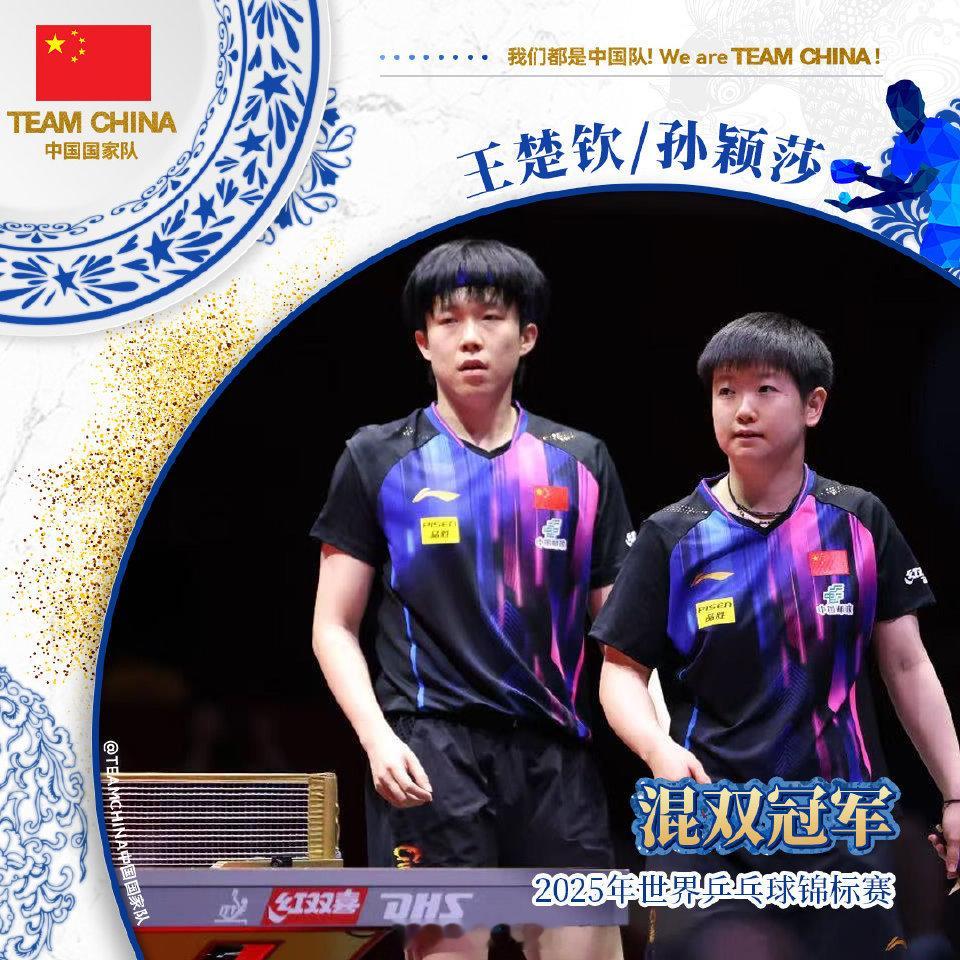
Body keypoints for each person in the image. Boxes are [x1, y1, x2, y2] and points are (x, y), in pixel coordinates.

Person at [591, 312, 960, 958]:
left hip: (839, 823)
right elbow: (620, 671)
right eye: (725, 391)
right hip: (705, 822)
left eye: (765, 389)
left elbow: (907, 666)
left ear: (813, 405)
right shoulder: (671, 535)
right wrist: (656, 749)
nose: (743, 409)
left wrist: (956, 794)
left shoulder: (859, 521)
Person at [310, 238, 633, 960]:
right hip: (430, 751)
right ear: (423, 343)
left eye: (491, 317)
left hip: (557, 754)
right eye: (449, 321)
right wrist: (377, 738)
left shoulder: (581, 460)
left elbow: (623, 639)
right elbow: (333, 625)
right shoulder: (376, 458)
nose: (471, 337)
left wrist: (660, 742)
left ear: (527, 336)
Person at [826, 79, 960, 268]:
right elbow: (896, 183)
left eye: (905, 106)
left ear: (920, 104)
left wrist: (861, 203)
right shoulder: (903, 144)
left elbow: (912, 190)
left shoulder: (939, 131)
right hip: (944, 222)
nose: (899, 115)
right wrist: (863, 177)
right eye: (894, 109)